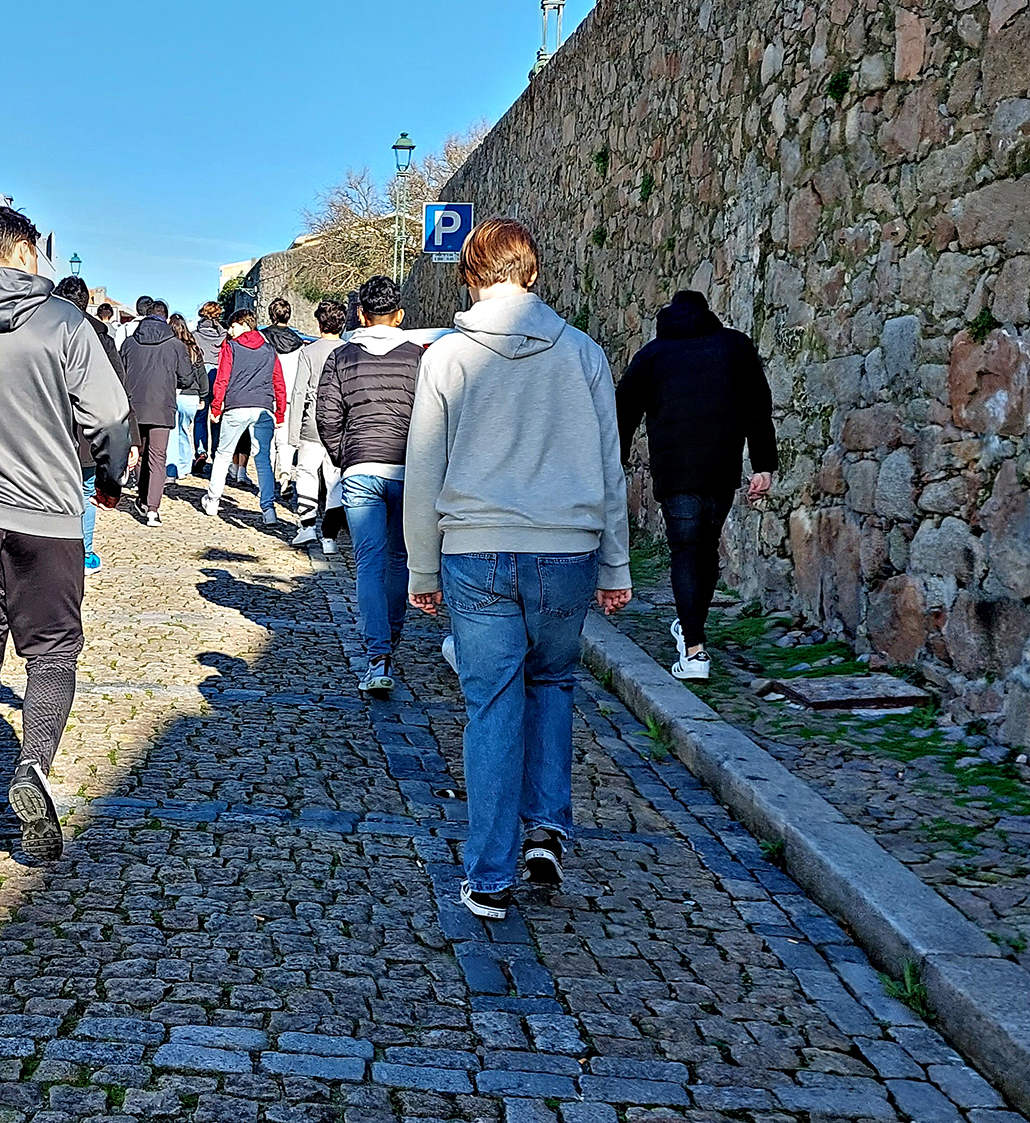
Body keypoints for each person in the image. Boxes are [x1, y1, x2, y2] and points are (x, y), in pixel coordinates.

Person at [404, 217, 631, 919]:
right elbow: (608, 466)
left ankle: (491, 873)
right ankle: (547, 827)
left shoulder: (447, 357)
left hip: (475, 547)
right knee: (554, 683)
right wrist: (615, 563)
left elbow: (425, 465)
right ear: (531, 273)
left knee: (492, 702)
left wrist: (420, 568)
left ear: (471, 275)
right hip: (566, 548)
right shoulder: (584, 353)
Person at [0, 205, 131, 863]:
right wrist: (111, 472)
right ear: (17, 253)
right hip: (46, 518)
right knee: (52, 655)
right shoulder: (64, 322)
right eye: (34, 253)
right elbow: (110, 414)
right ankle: (33, 768)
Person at [615, 289, 777, 683]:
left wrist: (613, 461)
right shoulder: (735, 346)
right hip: (720, 467)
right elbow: (758, 406)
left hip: (675, 472)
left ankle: (694, 649)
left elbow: (622, 407)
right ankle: (692, 632)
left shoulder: (652, 355)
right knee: (705, 549)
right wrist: (763, 466)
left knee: (686, 549)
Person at [316, 276, 425, 694]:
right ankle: (390, 639)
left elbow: (326, 415)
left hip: (360, 468)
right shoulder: (418, 358)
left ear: (360, 314)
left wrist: (345, 457)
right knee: (400, 559)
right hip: (407, 469)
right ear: (399, 315)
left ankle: (377, 655)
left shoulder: (341, 358)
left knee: (368, 562)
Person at [57, 276, 128, 573]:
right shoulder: (103, 339)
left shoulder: (46, 332)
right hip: (90, 434)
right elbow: (119, 391)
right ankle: (83, 554)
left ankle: (56, 552)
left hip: (55, 431)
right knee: (86, 494)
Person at [120, 298, 202, 526]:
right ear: (165, 318)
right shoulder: (175, 345)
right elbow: (187, 378)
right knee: (158, 457)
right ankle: (152, 509)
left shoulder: (129, 343)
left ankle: (142, 498)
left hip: (133, 406)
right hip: (162, 406)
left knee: (138, 452)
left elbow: (119, 373)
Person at [201, 306, 285, 525]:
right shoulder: (269, 350)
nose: (230, 331)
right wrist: (280, 412)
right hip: (263, 408)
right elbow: (279, 382)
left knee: (223, 454)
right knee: (263, 460)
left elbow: (222, 378)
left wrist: (216, 406)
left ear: (245, 324)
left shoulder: (232, 347)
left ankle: (213, 500)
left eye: (233, 326)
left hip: (236, 406)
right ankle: (268, 509)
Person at [288, 299, 347, 553]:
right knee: (334, 478)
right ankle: (330, 537)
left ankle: (307, 524)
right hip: (340, 423)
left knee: (307, 472)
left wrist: (292, 433)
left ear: (319, 323)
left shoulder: (308, 352)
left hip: (312, 422)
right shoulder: (350, 350)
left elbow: (299, 392)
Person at [259, 298, 309, 495]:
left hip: (266, 393)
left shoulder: (262, 339)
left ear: (271, 315)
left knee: (266, 440)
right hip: (290, 395)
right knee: (286, 440)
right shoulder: (300, 344)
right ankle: (285, 474)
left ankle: (267, 481)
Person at [167, 311, 209, 478]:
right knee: (184, 431)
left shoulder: (169, 347)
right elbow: (202, 374)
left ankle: (172, 468)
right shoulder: (193, 349)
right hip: (192, 396)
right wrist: (203, 396)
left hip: (174, 393)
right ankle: (184, 468)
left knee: (172, 432)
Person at [192, 300, 226, 474]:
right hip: (219, 375)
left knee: (200, 417)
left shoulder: (195, 335)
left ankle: (201, 451)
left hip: (201, 376)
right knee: (216, 415)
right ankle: (217, 452)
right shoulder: (225, 336)